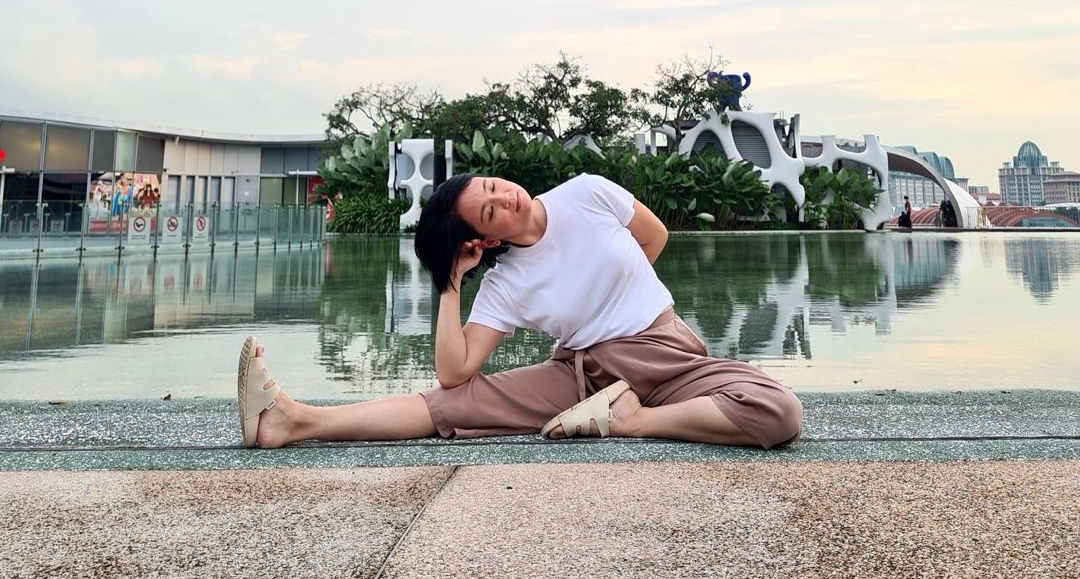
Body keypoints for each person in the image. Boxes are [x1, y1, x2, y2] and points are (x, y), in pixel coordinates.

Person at [237, 172, 803, 450]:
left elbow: (652, 239)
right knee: (456, 403)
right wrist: (451, 282)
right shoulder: (505, 283)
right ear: (482, 240)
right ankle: (295, 420)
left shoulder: (587, 192)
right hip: (587, 375)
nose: (504, 196)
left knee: (777, 411)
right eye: (488, 211)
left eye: (492, 186)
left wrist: (622, 304)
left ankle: (633, 421)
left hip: (670, 353)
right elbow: (454, 372)